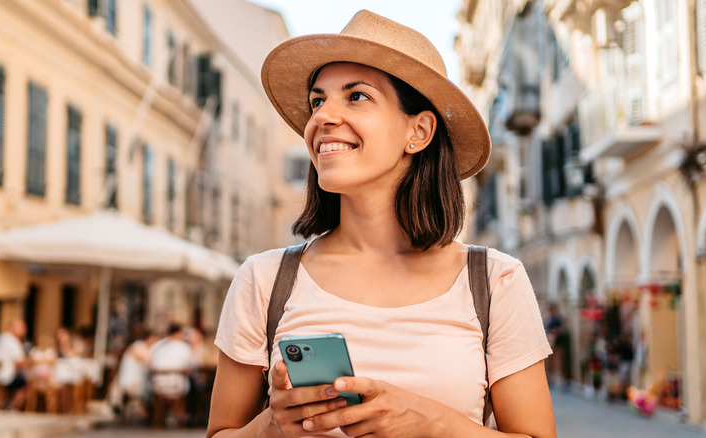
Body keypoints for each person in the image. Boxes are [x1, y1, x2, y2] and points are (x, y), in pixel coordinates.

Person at [207, 10, 555, 438]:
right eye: (318, 101)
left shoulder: (495, 281)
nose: (322, 118)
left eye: (356, 97)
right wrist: (271, 425)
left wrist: (431, 423)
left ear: (420, 131)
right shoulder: (263, 280)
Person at [0, 317, 28, 410]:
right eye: (23, 328)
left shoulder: (0, 337)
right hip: (5, 376)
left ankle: (2, 404)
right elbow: (20, 362)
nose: (24, 331)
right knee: (24, 384)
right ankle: (12, 407)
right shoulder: (14, 341)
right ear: (14, 328)